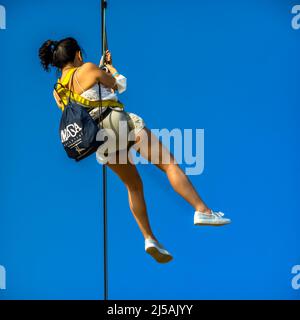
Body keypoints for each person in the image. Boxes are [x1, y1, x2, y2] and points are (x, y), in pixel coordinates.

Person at [39, 37, 231, 264]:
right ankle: (203, 211)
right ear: (78, 55)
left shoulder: (57, 91)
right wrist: (110, 68)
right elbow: (119, 84)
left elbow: (84, 101)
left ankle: (149, 237)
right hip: (116, 122)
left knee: (133, 186)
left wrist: (101, 70)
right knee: (168, 164)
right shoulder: (88, 69)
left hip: (98, 139)